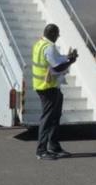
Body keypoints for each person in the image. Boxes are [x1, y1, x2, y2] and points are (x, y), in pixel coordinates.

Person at [32, 23, 78, 161]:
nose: (58, 36)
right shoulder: (49, 47)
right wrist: (71, 61)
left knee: (54, 117)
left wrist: (67, 57)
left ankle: (53, 146)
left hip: (48, 87)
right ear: (52, 34)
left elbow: (56, 59)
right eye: (57, 34)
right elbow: (57, 67)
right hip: (47, 87)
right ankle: (41, 151)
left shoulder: (40, 44)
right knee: (47, 119)